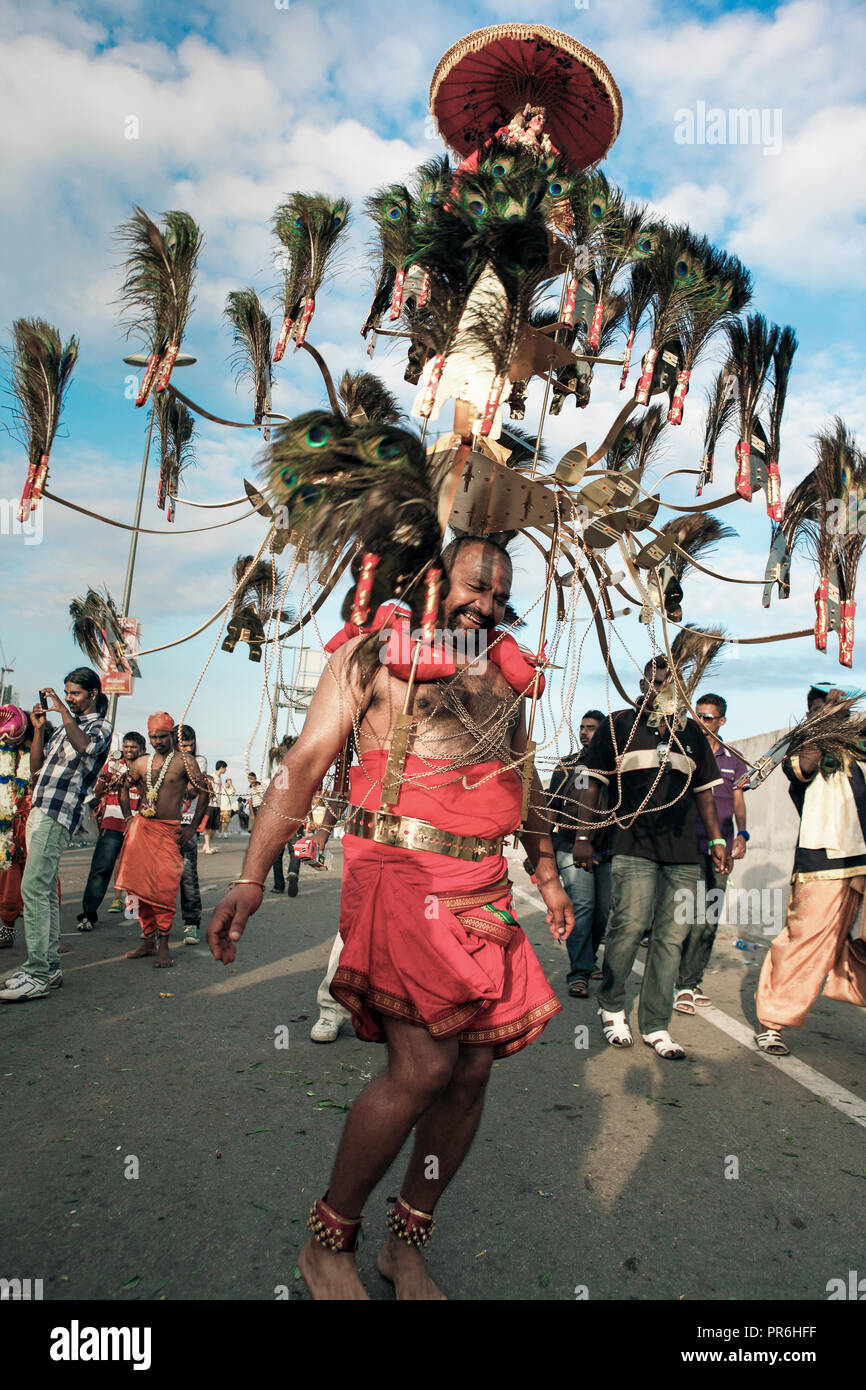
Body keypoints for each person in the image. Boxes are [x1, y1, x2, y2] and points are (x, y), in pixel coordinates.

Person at [208, 537, 573, 1300]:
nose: (488, 605)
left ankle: (404, 1245)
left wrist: (546, 871)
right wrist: (248, 877)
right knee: (424, 1066)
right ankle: (328, 1241)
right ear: (435, 577)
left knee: (472, 1071)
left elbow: (525, 780)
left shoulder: (504, 673)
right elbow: (303, 763)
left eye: (502, 594)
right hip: (399, 873)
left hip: (484, 883)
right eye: (476, 587)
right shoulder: (373, 655)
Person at [575, 657, 731, 1060]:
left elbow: (705, 793)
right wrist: (582, 836)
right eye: (654, 680)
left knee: (671, 937)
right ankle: (611, 1006)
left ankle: (657, 1024)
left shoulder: (692, 733)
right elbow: (591, 787)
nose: (660, 688)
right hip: (633, 848)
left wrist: (716, 841)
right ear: (643, 682)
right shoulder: (617, 727)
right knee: (628, 928)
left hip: (683, 855)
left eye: (668, 683)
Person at [754, 686, 866, 1055]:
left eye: (839, 709)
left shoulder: (860, 744)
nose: (833, 713)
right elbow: (803, 767)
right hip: (825, 862)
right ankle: (773, 1022)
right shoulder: (805, 746)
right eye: (820, 709)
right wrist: (824, 719)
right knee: (805, 941)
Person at [1, 669, 112, 1003]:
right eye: (67, 693)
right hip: (40, 806)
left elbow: (85, 747)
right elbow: (37, 769)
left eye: (75, 693)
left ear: (92, 693)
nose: (69, 698)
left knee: (33, 887)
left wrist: (63, 711)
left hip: (59, 813)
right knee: (44, 889)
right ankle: (47, 967)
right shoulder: (63, 730)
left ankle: (38, 972)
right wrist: (37, 731)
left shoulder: (98, 726)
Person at [115, 713, 210, 969]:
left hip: (170, 832)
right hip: (142, 830)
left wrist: (191, 827)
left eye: (162, 736)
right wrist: (127, 818)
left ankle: (164, 944)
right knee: (138, 888)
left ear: (172, 736)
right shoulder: (141, 763)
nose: (158, 741)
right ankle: (148, 940)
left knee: (164, 889)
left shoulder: (185, 762)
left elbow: (204, 793)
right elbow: (122, 786)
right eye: (153, 737)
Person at [674, 693, 749, 1014]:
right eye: (698, 716)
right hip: (688, 846)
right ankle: (682, 983)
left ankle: (690, 981)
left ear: (722, 721)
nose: (702, 723)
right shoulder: (685, 754)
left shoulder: (734, 759)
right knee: (687, 917)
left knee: (710, 919)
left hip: (721, 851)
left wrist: (743, 834)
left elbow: (739, 801)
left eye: (708, 717)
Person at [547, 710, 608, 998]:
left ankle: (589, 957)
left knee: (603, 912)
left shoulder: (614, 766)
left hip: (606, 848)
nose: (585, 732)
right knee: (582, 907)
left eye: (592, 728)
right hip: (570, 846)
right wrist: (542, 852)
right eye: (582, 727)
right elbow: (552, 810)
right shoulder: (567, 766)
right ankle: (580, 972)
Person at [76, 732, 146, 932]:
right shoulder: (113, 764)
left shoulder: (146, 766)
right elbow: (98, 791)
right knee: (101, 869)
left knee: (133, 871)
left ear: (141, 749)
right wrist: (108, 779)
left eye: (133, 747)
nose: (129, 750)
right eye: (126, 746)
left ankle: (132, 912)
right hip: (112, 823)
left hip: (137, 826)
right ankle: (88, 914)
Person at [177, 725, 208, 946]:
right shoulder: (165, 761)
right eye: (183, 745)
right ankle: (158, 926)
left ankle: (192, 924)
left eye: (190, 745)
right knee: (159, 878)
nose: (187, 749)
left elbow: (192, 790)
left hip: (187, 824)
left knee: (187, 877)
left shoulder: (199, 761)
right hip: (164, 824)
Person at [202, 761, 225, 853]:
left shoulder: (220, 778)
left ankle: (205, 845)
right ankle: (207, 847)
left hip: (217, 805)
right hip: (210, 805)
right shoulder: (212, 777)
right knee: (208, 827)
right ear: (221, 767)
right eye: (225, 768)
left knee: (215, 828)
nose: (225, 770)